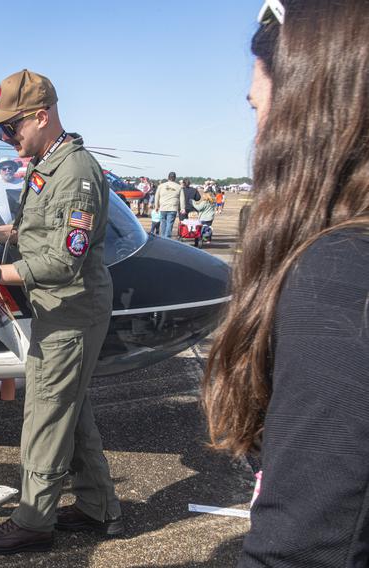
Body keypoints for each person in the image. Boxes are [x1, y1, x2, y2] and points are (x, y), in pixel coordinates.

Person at [201, 1, 369, 565]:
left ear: (306, 106)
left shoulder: (340, 272)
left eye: (258, 105)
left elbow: (310, 546)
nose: (256, 132)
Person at [0, 69, 122, 555]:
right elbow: (45, 228)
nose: (8, 137)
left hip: (69, 311)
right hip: (63, 309)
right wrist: (2, 234)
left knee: (46, 416)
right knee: (71, 410)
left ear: (41, 117)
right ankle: (98, 508)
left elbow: (64, 260)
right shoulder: (50, 162)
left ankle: (33, 521)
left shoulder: (73, 172)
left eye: (12, 128)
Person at [153, 172, 184, 238]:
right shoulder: (179, 187)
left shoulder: (161, 186)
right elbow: (182, 198)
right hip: (173, 208)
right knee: (169, 223)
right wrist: (182, 208)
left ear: (168, 177)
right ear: (175, 178)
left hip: (163, 207)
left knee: (163, 223)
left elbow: (156, 196)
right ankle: (167, 237)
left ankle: (163, 237)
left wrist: (156, 206)